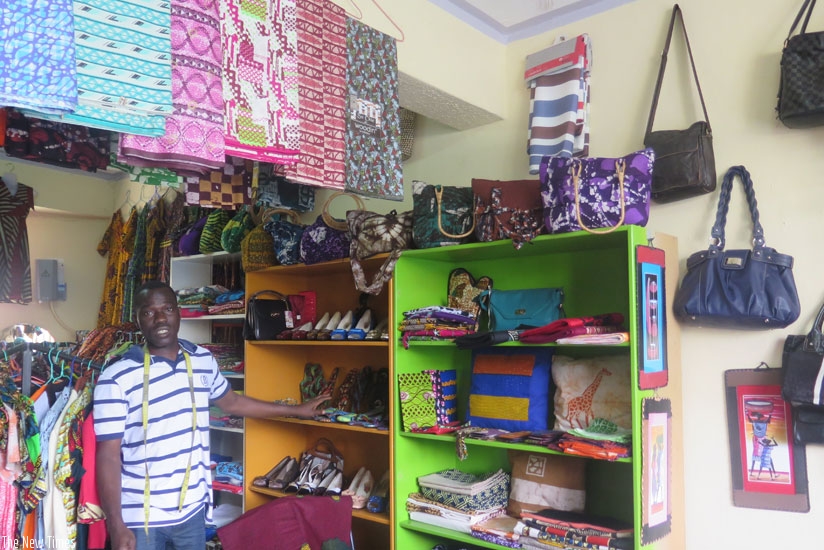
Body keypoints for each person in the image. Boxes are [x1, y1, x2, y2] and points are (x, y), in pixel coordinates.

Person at [94, 281, 329, 550]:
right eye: (149, 312)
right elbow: (108, 455)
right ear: (137, 319)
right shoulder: (116, 377)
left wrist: (296, 411)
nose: (160, 318)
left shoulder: (202, 360)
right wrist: (116, 523)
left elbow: (232, 402)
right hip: (140, 517)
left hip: (192, 511)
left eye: (168, 308)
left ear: (179, 312)